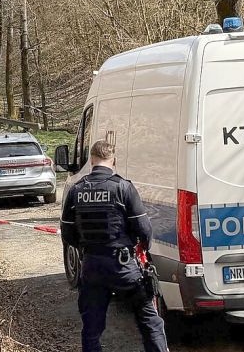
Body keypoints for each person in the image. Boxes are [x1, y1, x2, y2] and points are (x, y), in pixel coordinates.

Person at [61, 140, 169, 352]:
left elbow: (67, 233)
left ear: (92, 160)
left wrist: (87, 247)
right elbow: (144, 229)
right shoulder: (123, 187)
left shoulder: (76, 190)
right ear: (114, 161)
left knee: (91, 327)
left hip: (91, 266)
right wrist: (140, 249)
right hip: (123, 266)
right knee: (149, 320)